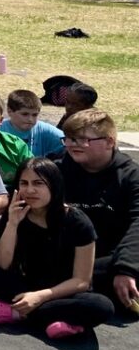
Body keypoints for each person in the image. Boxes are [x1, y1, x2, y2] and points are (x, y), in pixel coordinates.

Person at [0, 158, 114, 340]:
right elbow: (1, 264)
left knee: (102, 306)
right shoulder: (16, 212)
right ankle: (55, 320)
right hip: (23, 286)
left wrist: (39, 297)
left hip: (61, 292)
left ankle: (17, 314)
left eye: (38, 183)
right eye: (24, 183)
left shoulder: (77, 222)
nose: (30, 190)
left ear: (54, 186)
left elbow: (81, 281)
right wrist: (12, 224)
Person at [56, 109, 139, 313]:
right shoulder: (54, 169)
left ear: (110, 142)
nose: (72, 145)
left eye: (82, 139)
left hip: (110, 259)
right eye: (69, 139)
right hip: (64, 255)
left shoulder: (131, 176)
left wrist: (125, 269)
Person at [0, 89, 65, 158]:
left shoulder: (44, 129)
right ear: (10, 111)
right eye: (25, 114)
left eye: (34, 115)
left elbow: (68, 142)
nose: (30, 119)